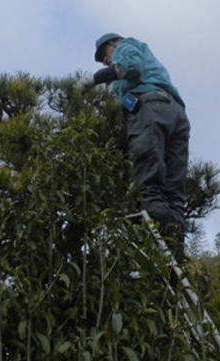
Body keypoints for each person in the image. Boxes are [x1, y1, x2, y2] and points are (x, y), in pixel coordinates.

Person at [77, 33, 190, 259]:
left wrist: (94, 79)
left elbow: (130, 67)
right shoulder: (139, 70)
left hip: (152, 107)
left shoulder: (126, 45)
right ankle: (176, 254)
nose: (105, 61)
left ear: (114, 43)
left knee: (150, 186)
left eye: (104, 55)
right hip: (176, 114)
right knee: (174, 194)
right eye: (101, 61)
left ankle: (160, 253)